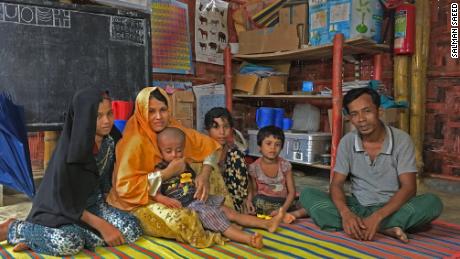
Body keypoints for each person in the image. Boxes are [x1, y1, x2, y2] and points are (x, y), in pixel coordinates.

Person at [0, 88, 142, 256]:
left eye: (110, 113)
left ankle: (39, 239)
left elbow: (104, 185)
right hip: (60, 211)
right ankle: (15, 229)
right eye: (97, 116)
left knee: (132, 228)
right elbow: (64, 203)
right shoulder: (70, 152)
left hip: (94, 207)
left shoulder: (110, 142)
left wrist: (109, 213)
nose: (106, 121)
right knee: (69, 243)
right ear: (84, 118)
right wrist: (102, 226)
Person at [300, 87, 443, 243]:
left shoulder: (402, 140)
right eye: (354, 114)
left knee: (432, 203)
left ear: (379, 111)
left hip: (391, 208)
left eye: (367, 111)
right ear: (349, 118)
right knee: (307, 194)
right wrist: (346, 213)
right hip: (358, 205)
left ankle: (368, 224)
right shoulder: (347, 142)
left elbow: (409, 188)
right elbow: (336, 185)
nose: (361, 119)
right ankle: (384, 228)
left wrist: (378, 216)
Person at [106, 87, 226, 248]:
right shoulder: (134, 142)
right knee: (183, 220)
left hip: (179, 194)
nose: (158, 117)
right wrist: (167, 173)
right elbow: (126, 188)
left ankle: (217, 216)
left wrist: (204, 175)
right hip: (140, 202)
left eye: (163, 110)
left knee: (211, 169)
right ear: (141, 112)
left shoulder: (173, 129)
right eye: (151, 111)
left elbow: (209, 147)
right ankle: (214, 223)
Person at [152, 127, 285, 249]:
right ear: (160, 150)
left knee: (230, 212)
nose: (175, 154)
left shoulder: (185, 163)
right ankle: (249, 239)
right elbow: (153, 191)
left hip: (200, 199)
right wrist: (163, 199)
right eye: (168, 151)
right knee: (217, 219)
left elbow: (206, 156)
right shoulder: (160, 168)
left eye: (179, 150)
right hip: (188, 206)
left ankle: (267, 224)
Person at [246, 126, 305, 223]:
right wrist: (249, 201)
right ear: (259, 147)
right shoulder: (254, 168)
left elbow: (292, 192)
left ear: (281, 148)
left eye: (277, 144)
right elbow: (253, 191)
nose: (273, 147)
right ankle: (277, 216)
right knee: (257, 201)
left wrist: (282, 210)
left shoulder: (285, 165)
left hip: (282, 203)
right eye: (268, 143)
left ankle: (283, 214)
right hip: (263, 203)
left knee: (306, 204)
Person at [204, 107, 249, 212]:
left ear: (231, 129)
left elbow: (245, 180)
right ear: (207, 130)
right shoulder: (202, 151)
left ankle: (236, 209)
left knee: (236, 155)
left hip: (232, 202)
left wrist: (247, 198)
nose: (222, 132)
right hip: (209, 200)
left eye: (226, 127)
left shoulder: (234, 153)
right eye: (216, 127)